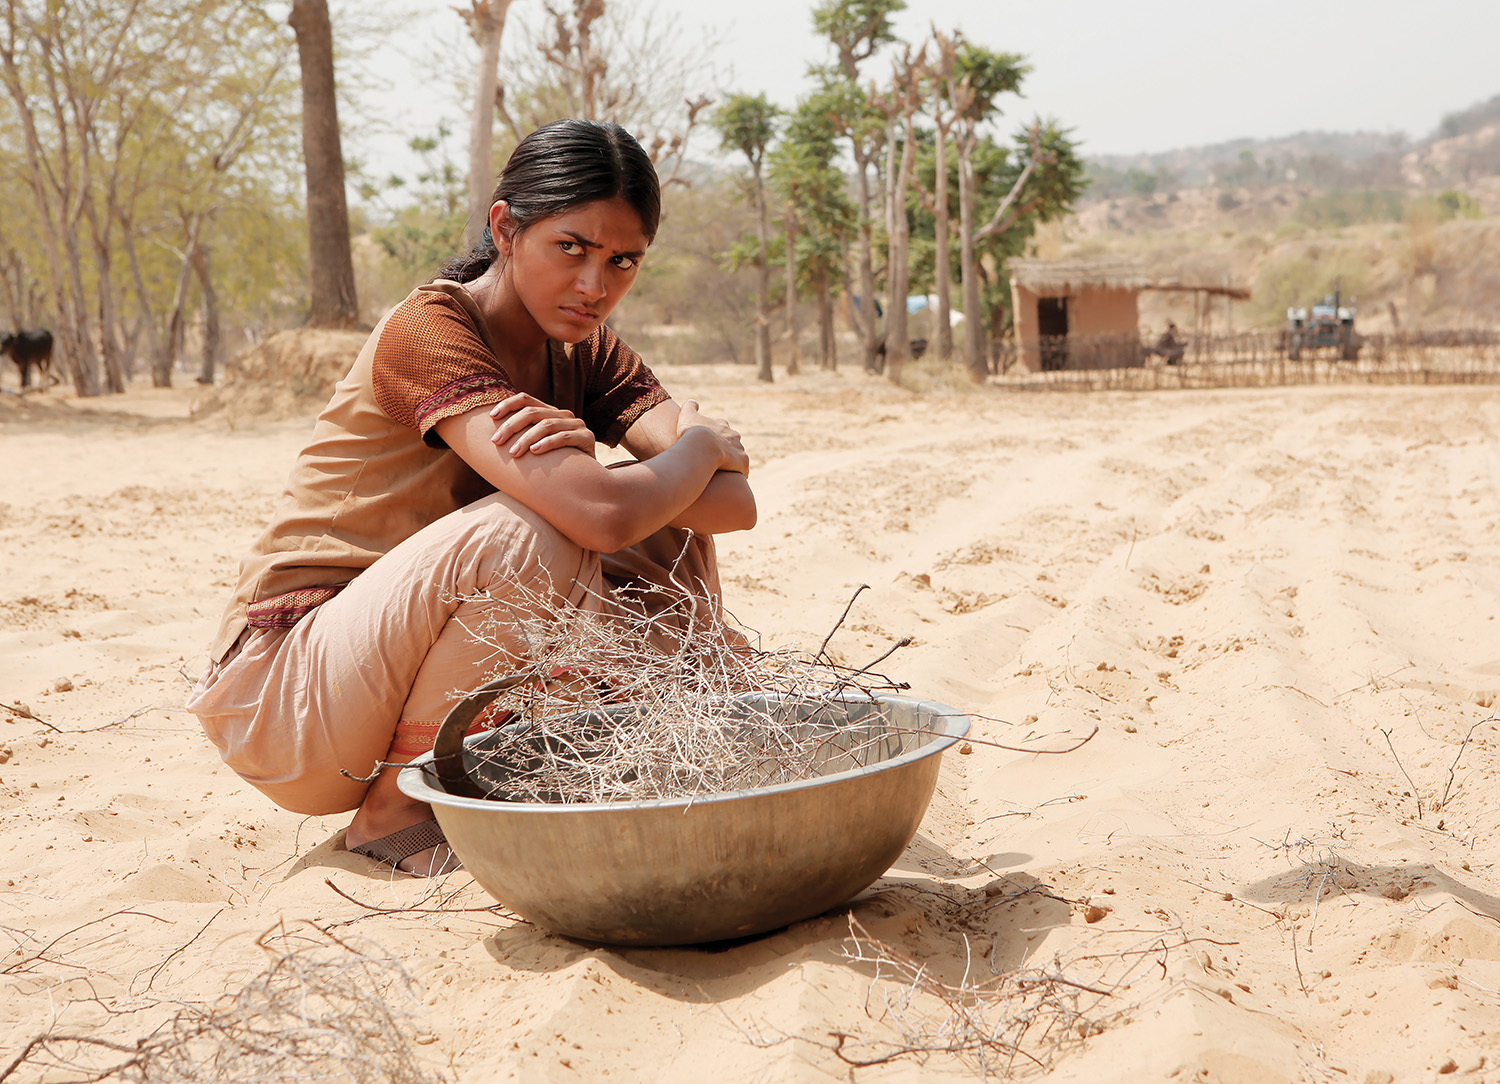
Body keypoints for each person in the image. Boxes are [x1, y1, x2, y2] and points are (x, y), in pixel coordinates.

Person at [186, 119, 756, 875]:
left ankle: (644, 733)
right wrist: (702, 444)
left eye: (623, 261)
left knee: (665, 525)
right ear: (506, 227)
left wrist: (670, 461)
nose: (595, 286)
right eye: (572, 248)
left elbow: (731, 509)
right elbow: (603, 511)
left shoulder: (585, 348)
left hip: (400, 678)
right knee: (541, 526)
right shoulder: (429, 329)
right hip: (290, 693)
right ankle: (397, 811)